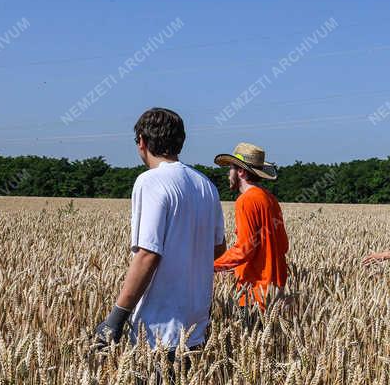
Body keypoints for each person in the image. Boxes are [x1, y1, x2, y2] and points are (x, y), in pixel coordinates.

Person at [94, 108, 226, 354]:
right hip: (196, 329)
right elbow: (219, 248)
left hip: (157, 331)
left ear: (142, 142)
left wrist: (116, 318)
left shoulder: (150, 181)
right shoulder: (207, 185)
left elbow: (148, 254)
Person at [213, 142, 289, 308]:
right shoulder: (270, 199)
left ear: (241, 172)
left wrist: (212, 266)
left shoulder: (245, 201)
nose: (228, 174)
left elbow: (244, 249)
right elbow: (283, 245)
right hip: (276, 290)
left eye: (231, 168)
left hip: (254, 292)